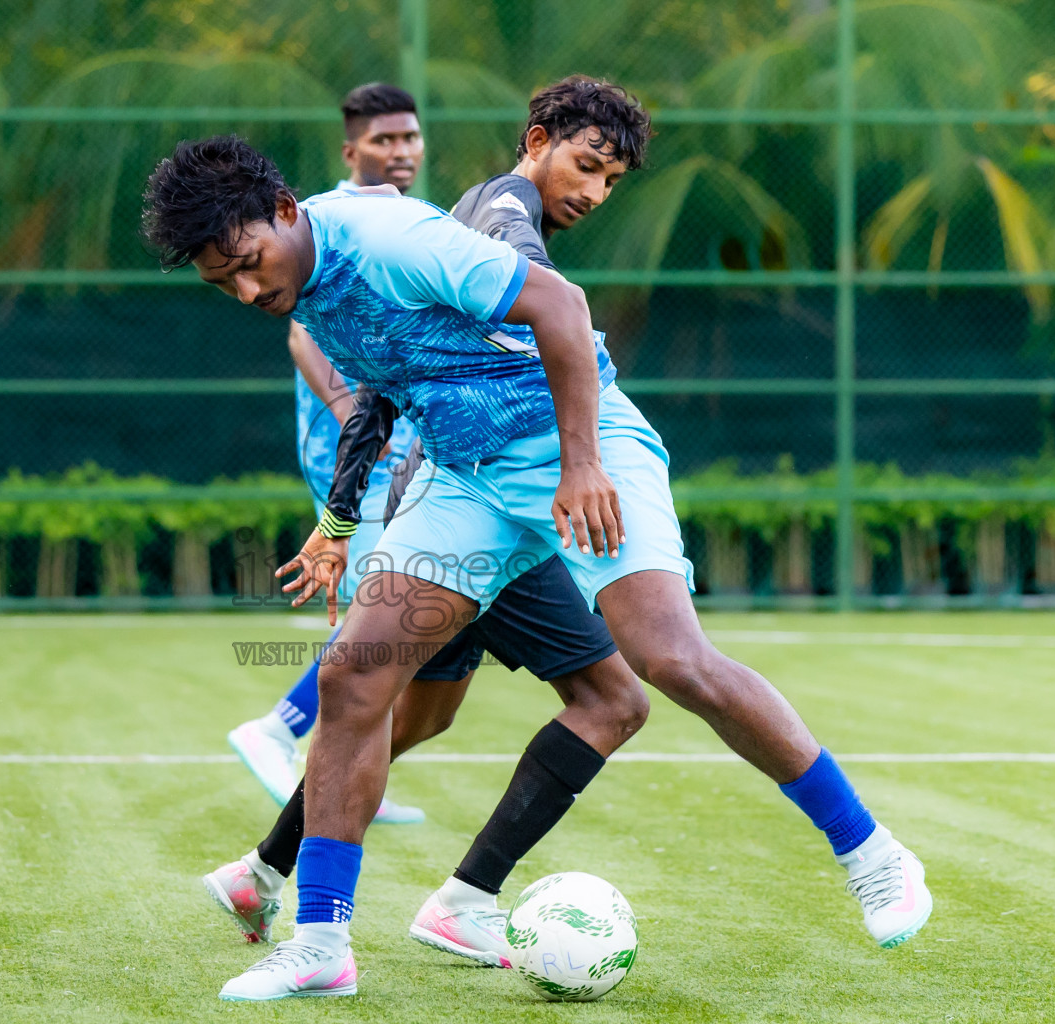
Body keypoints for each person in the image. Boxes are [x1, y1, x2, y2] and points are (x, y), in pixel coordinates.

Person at [143, 131, 932, 1001]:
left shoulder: (391, 239)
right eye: (223, 282)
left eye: (248, 264)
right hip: (463, 476)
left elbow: (560, 304)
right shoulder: (302, 282)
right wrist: (337, 523)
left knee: (670, 660)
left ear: (285, 210)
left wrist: (582, 464)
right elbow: (383, 388)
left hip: (576, 446)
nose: (247, 290)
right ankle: (321, 944)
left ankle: (874, 856)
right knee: (352, 677)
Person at [203, 78, 656, 969]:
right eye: (588, 167)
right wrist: (579, 452)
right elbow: (540, 300)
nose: (596, 192)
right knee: (610, 700)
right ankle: (457, 900)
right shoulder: (490, 216)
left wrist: (338, 521)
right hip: (473, 498)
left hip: (443, 491)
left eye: (610, 180)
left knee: (408, 714)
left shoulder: (413, 229)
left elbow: (380, 384)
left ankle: (261, 873)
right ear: (539, 141)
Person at [225, 82, 426, 825]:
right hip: (353, 456)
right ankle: (278, 728)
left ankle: (351, 774)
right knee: (386, 609)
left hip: (398, 453)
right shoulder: (320, 222)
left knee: (405, 608)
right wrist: (353, 419)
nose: (400, 151)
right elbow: (303, 334)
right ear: (351, 151)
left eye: (409, 137)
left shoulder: (398, 217)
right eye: (383, 140)